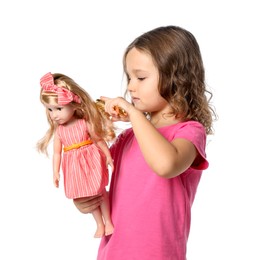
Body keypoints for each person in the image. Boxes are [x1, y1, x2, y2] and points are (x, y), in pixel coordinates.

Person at [73, 25, 217, 259]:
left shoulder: (189, 132)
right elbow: (97, 180)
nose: (130, 86)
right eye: (129, 77)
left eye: (140, 77)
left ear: (175, 78)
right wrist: (86, 200)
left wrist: (133, 114)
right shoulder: (127, 138)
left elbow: (166, 164)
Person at [37, 72, 115, 238]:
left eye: (59, 109)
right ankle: (99, 224)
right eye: (50, 110)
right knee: (87, 195)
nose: (54, 114)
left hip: (91, 160)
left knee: (99, 190)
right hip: (73, 166)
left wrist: (108, 156)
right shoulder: (59, 131)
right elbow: (57, 153)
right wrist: (55, 172)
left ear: (74, 104)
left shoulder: (84, 122)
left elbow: (98, 140)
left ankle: (108, 221)